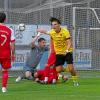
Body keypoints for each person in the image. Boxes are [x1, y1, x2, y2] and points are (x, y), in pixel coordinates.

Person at [37, 17, 79, 86]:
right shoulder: (52, 32)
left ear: (59, 25)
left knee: (71, 68)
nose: (53, 26)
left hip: (67, 52)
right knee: (58, 70)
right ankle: (70, 69)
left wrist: (67, 50)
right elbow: (45, 32)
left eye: (55, 24)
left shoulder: (65, 31)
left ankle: (75, 81)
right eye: (52, 25)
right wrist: (39, 30)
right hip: (59, 53)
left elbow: (69, 43)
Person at [0, 12, 15, 92]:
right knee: (4, 71)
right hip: (6, 54)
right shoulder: (10, 30)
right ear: (5, 19)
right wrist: (13, 54)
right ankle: (4, 88)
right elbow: (12, 43)